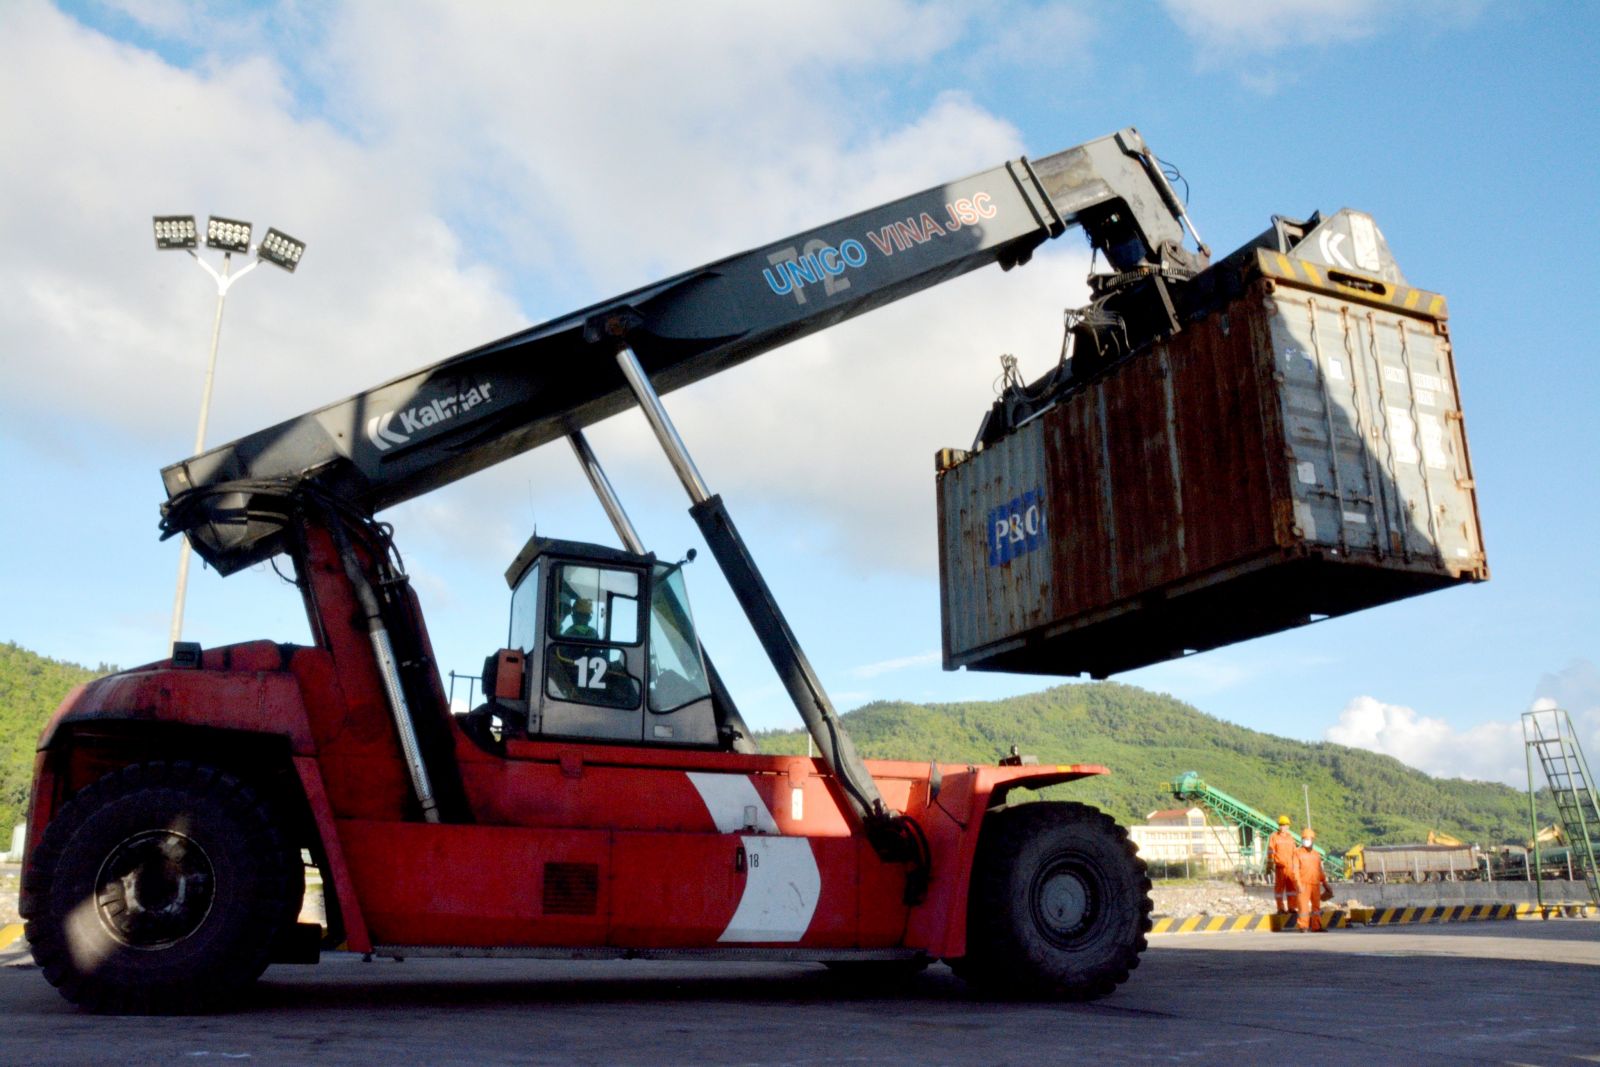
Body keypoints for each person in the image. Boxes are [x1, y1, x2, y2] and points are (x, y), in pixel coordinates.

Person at [1292, 828, 1329, 933]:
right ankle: (1303, 926)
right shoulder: (1297, 853)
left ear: (1313, 840)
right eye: (1304, 838)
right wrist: (1298, 883)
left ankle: (1316, 926)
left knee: (1316, 907)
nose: (1306, 840)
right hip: (1303, 884)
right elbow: (1295, 870)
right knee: (1303, 907)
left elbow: (1320, 871)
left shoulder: (1316, 854)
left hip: (1315, 884)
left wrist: (1325, 883)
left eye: (1308, 838)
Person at [1268, 814, 1298, 927]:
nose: (1283, 827)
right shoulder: (1274, 837)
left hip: (1290, 867)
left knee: (1291, 889)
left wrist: (1296, 865)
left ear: (1288, 826)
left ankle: (1292, 908)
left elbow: (1294, 852)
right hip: (1280, 866)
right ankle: (1280, 908)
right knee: (1279, 889)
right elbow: (1271, 851)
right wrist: (1270, 863)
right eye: (1281, 825)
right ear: (1279, 826)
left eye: (1285, 825)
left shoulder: (1291, 838)